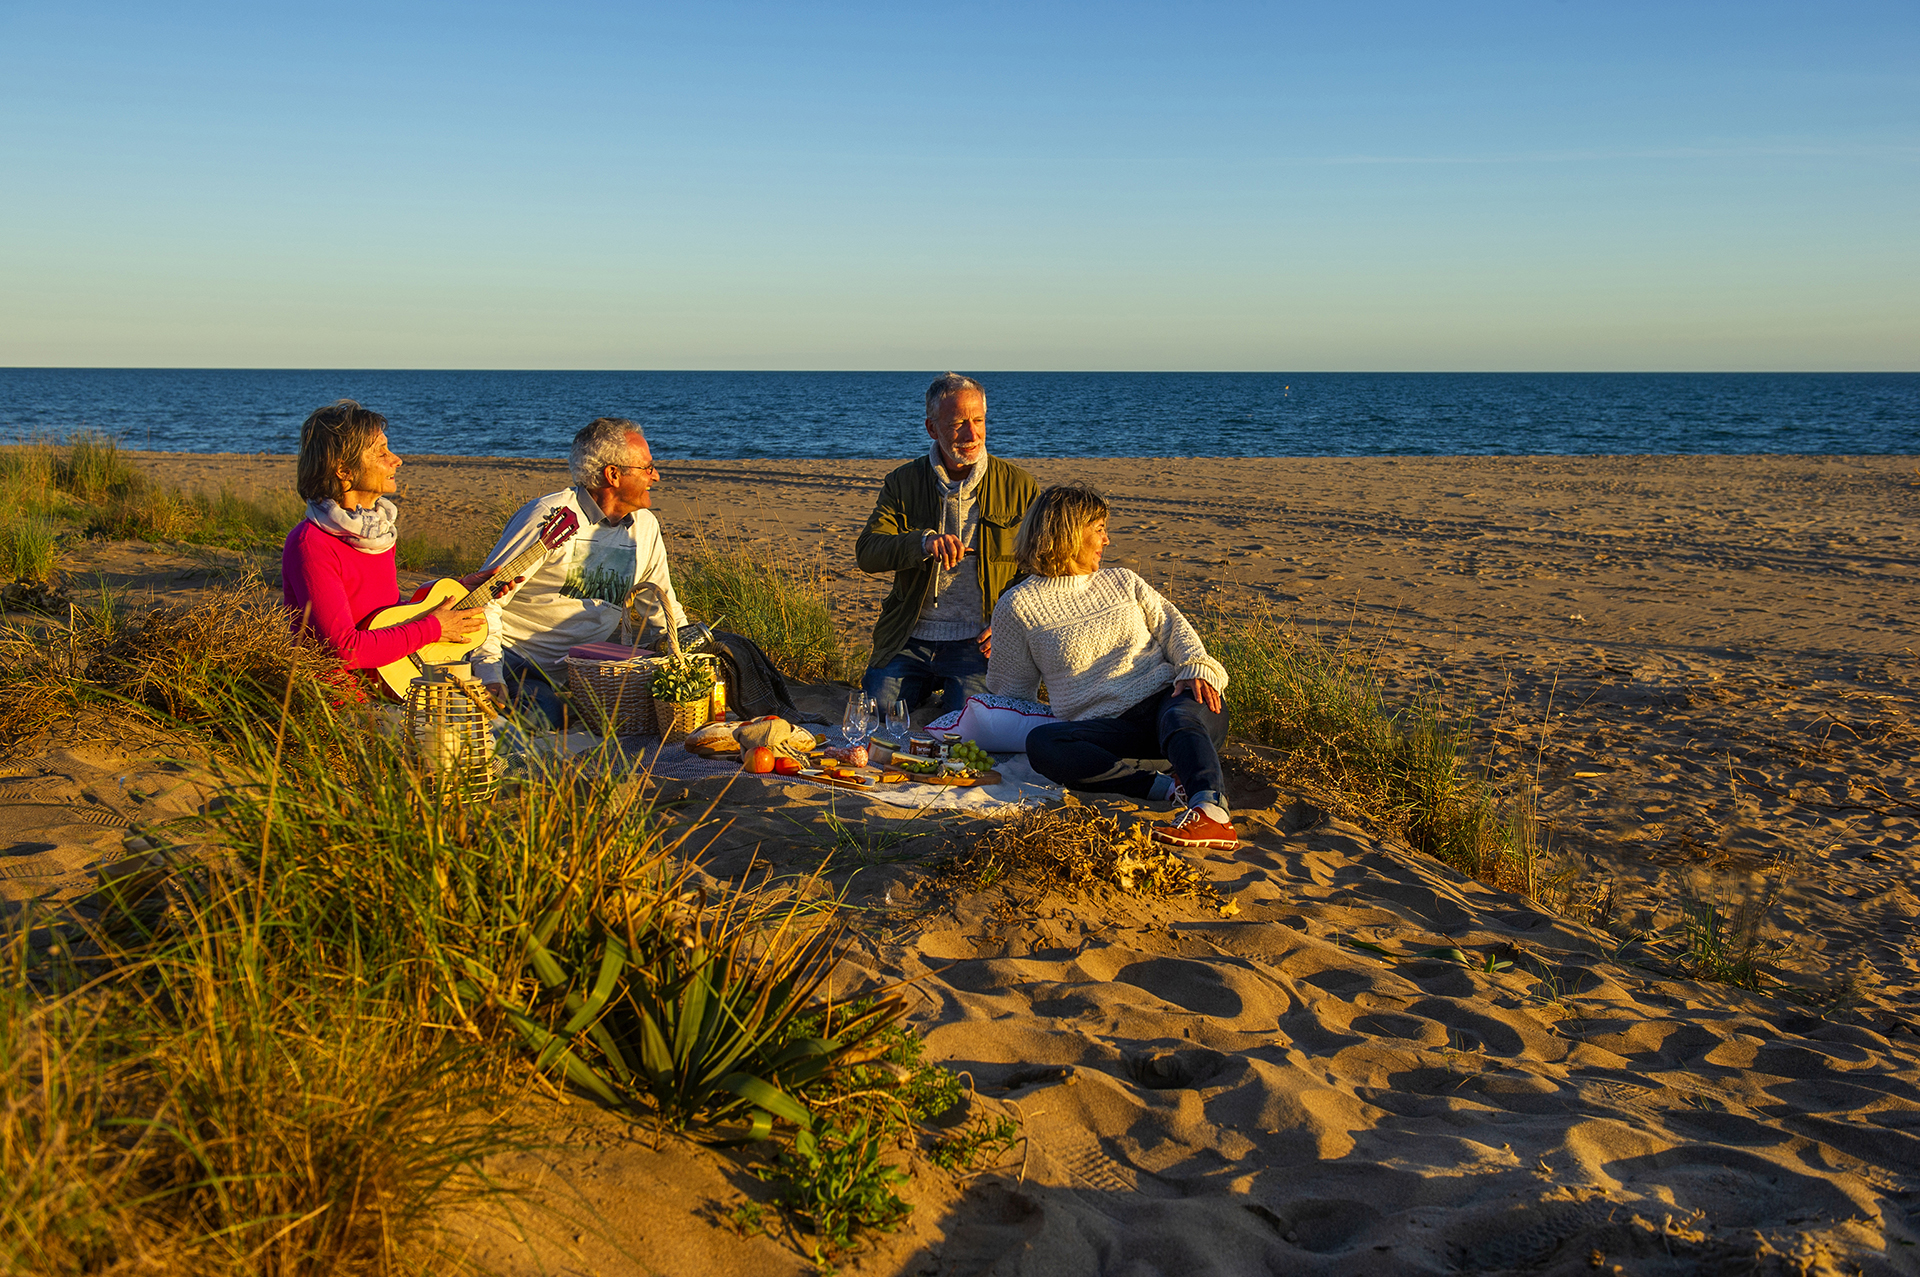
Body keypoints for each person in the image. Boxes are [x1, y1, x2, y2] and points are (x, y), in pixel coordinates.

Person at [986, 482, 1238, 849]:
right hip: (1111, 731)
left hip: (1177, 703)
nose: (1107, 541)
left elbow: (1174, 630)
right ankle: (1167, 789)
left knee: (1179, 716)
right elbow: (1011, 694)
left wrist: (1196, 668)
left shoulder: (1121, 581)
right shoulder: (1017, 606)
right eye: (1100, 529)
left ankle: (1211, 812)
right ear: (1069, 534)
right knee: (1043, 742)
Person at [473, 417, 687, 727]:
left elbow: (661, 609)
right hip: (513, 660)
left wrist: (689, 656)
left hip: (587, 671)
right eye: (647, 467)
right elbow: (486, 600)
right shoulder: (549, 517)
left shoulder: (645, 526)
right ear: (613, 475)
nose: (656, 476)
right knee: (547, 716)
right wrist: (491, 675)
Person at [855, 372, 1039, 719]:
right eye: (958, 424)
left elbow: (1041, 570)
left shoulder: (1018, 485)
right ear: (932, 428)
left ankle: (943, 689)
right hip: (909, 636)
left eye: (979, 420)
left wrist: (1007, 622)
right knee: (875, 712)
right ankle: (921, 684)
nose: (972, 434)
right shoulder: (902, 482)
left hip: (979, 643)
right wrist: (921, 543)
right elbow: (867, 552)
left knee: (971, 720)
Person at [281, 399, 489, 692]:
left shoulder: (377, 534)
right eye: (381, 452)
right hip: (341, 704)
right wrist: (434, 628)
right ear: (343, 470)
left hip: (387, 684)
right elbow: (344, 648)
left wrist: (455, 589)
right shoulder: (312, 544)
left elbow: (381, 618)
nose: (396, 460)